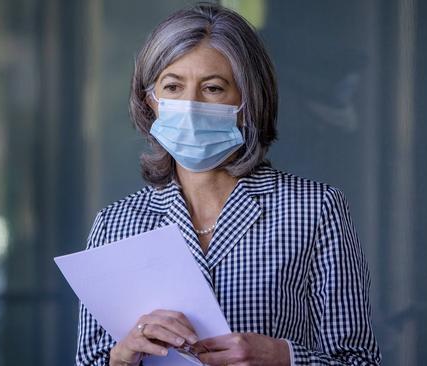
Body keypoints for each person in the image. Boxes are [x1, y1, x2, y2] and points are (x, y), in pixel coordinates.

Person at [76, 3, 381, 366]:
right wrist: (123, 358)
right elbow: (90, 359)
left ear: (247, 101)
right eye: (172, 86)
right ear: (150, 101)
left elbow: (359, 360)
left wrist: (285, 357)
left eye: (213, 88)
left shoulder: (315, 210)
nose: (189, 106)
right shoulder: (116, 225)